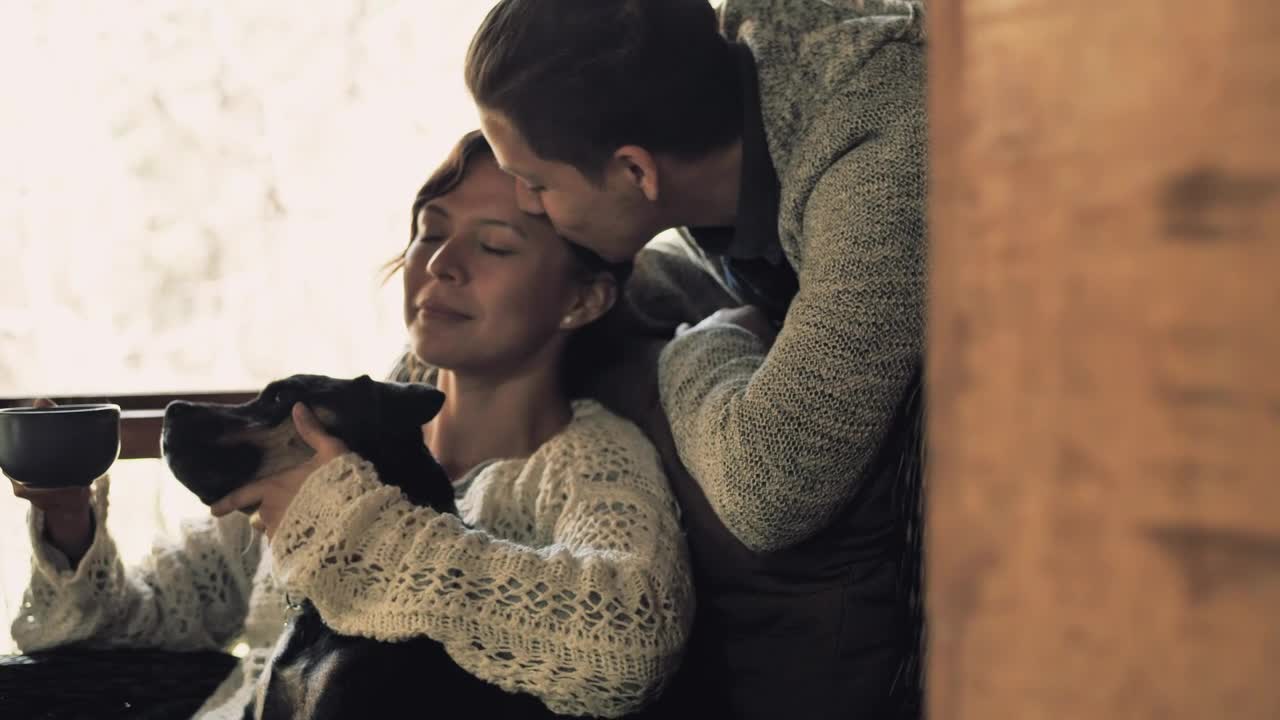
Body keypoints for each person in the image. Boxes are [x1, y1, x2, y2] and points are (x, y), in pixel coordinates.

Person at [9, 130, 693, 719]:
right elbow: (145, 620)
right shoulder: (332, 432)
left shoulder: (590, 464)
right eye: (429, 230)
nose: (440, 263)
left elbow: (630, 641)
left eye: (494, 246)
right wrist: (68, 520)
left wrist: (357, 532)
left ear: (583, 298)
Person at [464, 1, 927, 717]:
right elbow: (703, 264)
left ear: (634, 171)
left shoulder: (878, 163)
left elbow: (768, 486)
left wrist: (703, 343)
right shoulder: (729, 112)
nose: (526, 203)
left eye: (538, 183)